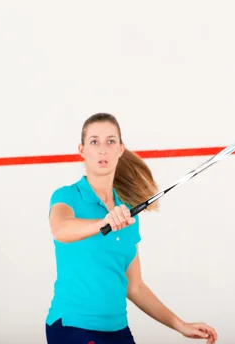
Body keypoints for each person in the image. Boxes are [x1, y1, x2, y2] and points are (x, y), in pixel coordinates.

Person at [46, 112, 218, 344]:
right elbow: (61, 229)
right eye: (94, 142)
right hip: (72, 326)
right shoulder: (67, 196)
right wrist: (103, 222)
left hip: (117, 330)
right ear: (82, 150)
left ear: (121, 149)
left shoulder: (126, 215)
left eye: (111, 141)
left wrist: (180, 325)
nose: (102, 149)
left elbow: (135, 286)